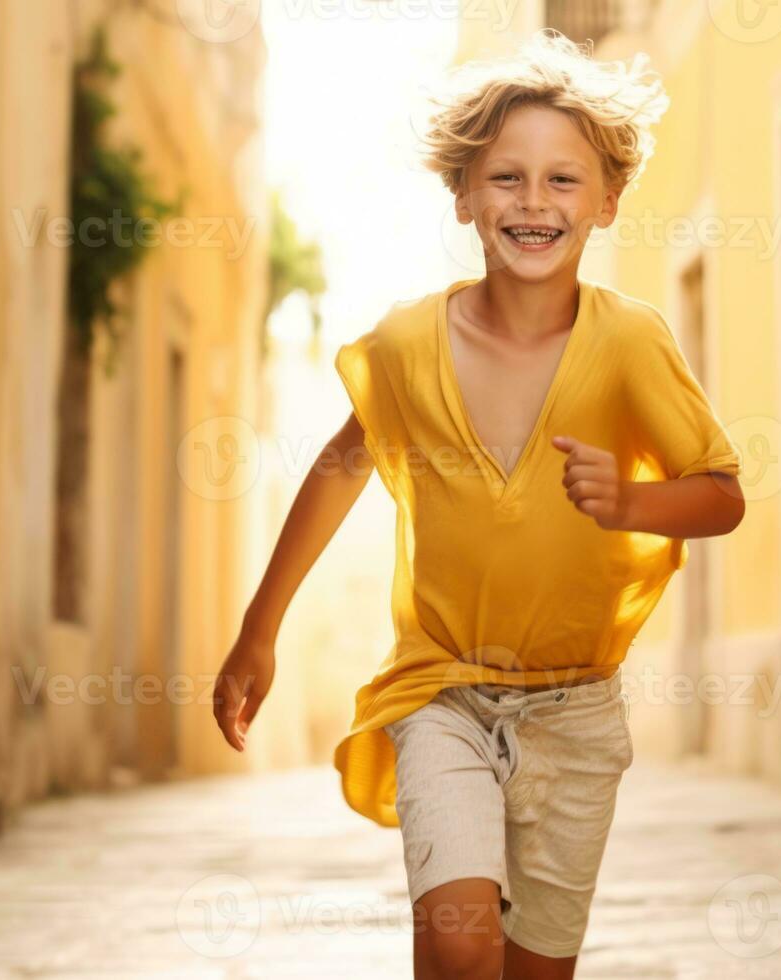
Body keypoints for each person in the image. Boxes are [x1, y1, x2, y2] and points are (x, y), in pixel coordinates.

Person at [213, 29, 746, 980]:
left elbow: (720, 496)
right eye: (505, 178)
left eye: (562, 181)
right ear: (463, 195)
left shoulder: (629, 343)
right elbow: (341, 465)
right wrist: (261, 628)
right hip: (441, 690)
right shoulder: (409, 343)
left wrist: (630, 501)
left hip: (578, 712)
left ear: (607, 201)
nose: (533, 203)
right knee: (460, 945)